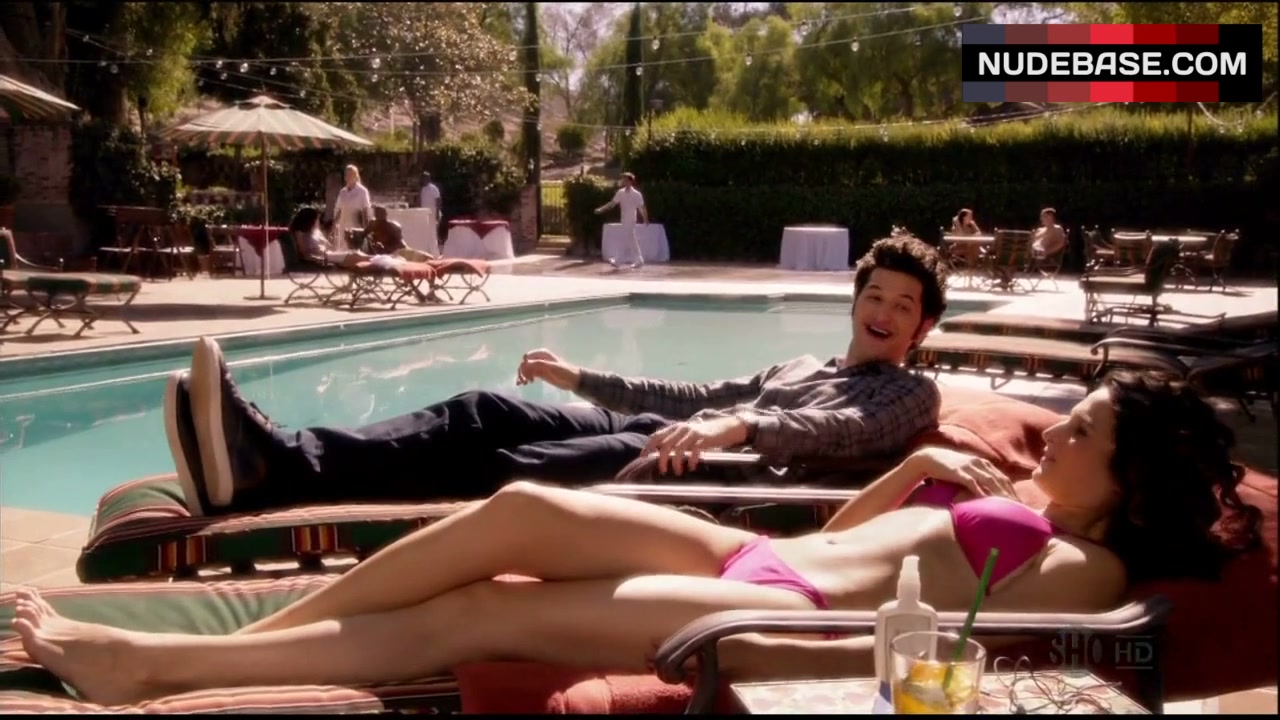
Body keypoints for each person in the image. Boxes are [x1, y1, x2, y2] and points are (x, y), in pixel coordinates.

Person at [12, 371, 1262, 705]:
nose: (1053, 429)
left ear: (1126, 475)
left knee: (482, 612)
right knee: (514, 512)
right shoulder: (1016, 504)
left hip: (775, 619)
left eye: (1080, 429)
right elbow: (844, 535)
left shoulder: (1084, 565)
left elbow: (948, 656)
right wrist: (911, 473)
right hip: (757, 561)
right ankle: (268, 637)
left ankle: (153, 669)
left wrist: (757, 642)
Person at [165, 236, 948, 513]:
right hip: (672, 432)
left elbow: (840, 431)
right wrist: (580, 378)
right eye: (875, 295)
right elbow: (694, 395)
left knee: (516, 466)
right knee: (482, 410)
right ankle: (284, 454)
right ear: (856, 300)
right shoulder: (803, 362)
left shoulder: (911, 392)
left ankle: (274, 477)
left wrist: (742, 427)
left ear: (922, 327)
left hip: (710, 469)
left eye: (903, 305)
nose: (883, 312)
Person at [594, 172, 649, 269]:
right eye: (623, 179)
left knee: (625, 238)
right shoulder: (620, 192)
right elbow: (612, 203)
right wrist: (601, 209)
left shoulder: (637, 194)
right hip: (624, 219)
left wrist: (645, 218)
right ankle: (639, 260)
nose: (623, 181)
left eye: (625, 180)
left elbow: (642, 207)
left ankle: (618, 260)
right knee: (631, 239)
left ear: (630, 181)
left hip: (631, 220)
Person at [333, 165, 373, 250]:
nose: (348, 177)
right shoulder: (343, 192)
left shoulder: (362, 191)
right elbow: (339, 210)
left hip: (355, 226)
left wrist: (365, 230)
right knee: (342, 249)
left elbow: (365, 211)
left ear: (356, 176)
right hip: (343, 225)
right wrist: (334, 224)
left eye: (350, 174)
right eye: (346, 174)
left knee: (354, 249)